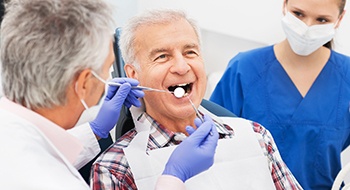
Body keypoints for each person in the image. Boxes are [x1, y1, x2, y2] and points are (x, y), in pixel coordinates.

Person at [0, 0, 219, 189]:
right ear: (83, 83)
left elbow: (35, 154)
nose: (181, 67)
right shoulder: (91, 175)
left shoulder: (252, 132)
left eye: (190, 52)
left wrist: (95, 131)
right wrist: (173, 177)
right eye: (107, 69)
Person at [91, 9, 302, 190]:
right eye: (162, 56)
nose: (182, 67)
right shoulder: (115, 168)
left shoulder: (257, 137)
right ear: (133, 75)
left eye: (190, 52)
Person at [210, 0, 350, 189]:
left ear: (340, 18)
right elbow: (216, 144)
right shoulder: (244, 69)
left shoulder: (346, 76)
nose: (307, 27)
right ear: (285, 5)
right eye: (299, 14)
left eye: (322, 20)